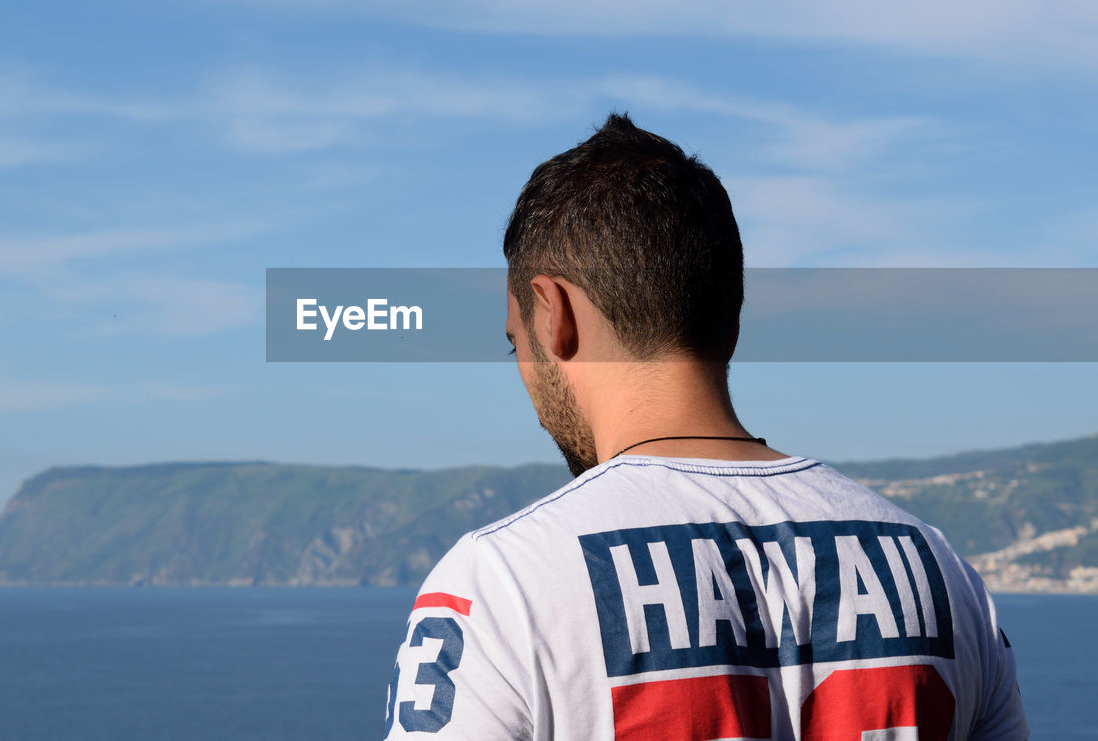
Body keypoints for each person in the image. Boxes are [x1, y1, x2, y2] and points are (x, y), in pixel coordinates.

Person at [381, 113, 1028, 740]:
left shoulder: (499, 588)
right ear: (730, 322)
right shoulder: (947, 576)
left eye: (514, 342)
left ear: (555, 316)